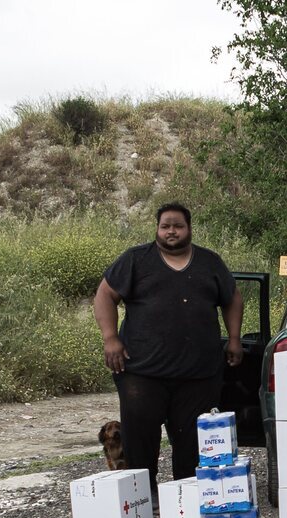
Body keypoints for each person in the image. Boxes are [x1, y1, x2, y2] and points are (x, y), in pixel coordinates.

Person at [93, 203, 243, 489]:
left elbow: (233, 298)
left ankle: (186, 496)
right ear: (157, 229)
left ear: (189, 228)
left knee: (192, 440)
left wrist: (234, 338)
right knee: (140, 438)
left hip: (199, 374)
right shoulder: (136, 260)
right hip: (141, 371)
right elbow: (104, 295)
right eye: (165, 226)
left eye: (177, 225)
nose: (171, 231)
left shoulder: (210, 262)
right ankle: (143, 497)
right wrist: (110, 338)